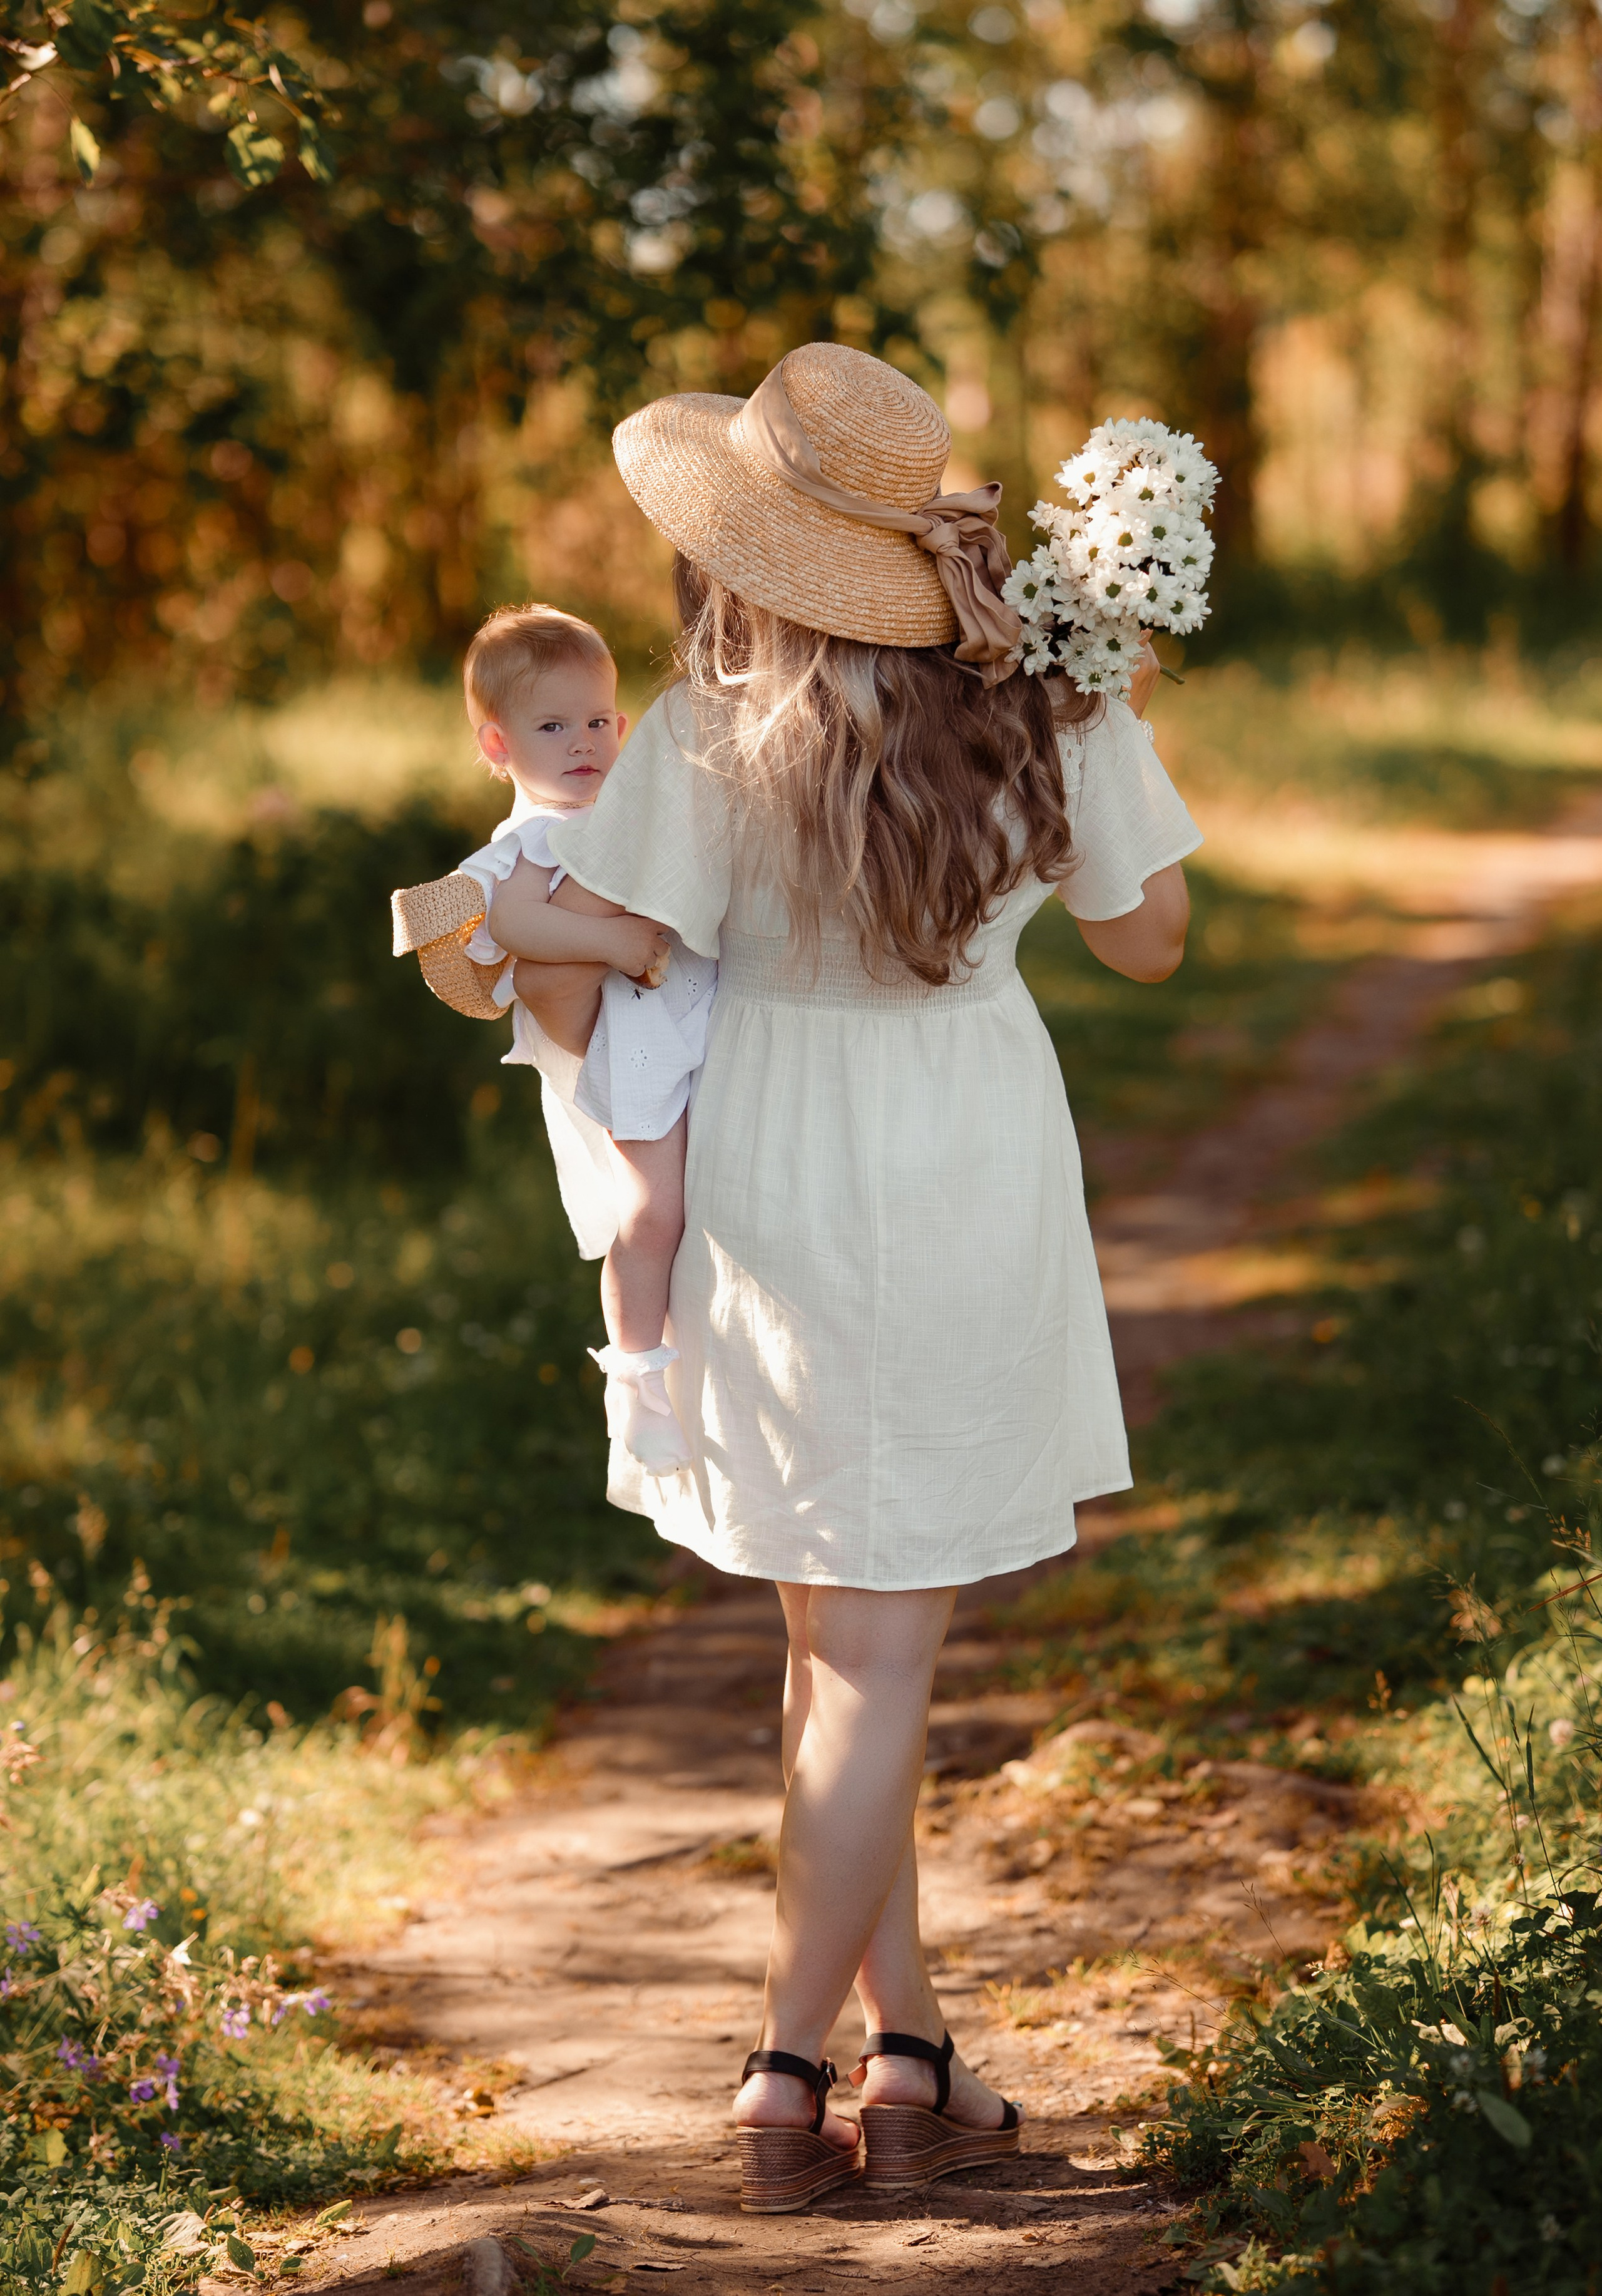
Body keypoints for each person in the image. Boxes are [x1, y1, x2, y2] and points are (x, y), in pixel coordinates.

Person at [541, 344, 1200, 2212]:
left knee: (842, 1644)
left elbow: (631, 947)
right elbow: (1151, 943)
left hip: (781, 1158)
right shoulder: (1045, 706)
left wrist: (494, 927)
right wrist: (1109, 707)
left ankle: (878, 2045)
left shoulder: (701, 728)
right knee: (871, 1645)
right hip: (967, 1141)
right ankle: (800, 2066)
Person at [451, 605, 717, 1470]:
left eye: (598, 721)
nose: (583, 744)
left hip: (686, 1010)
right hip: (625, 1041)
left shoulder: (624, 810)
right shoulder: (537, 837)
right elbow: (517, 920)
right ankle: (634, 1379)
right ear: (499, 748)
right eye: (553, 726)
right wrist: (612, 940)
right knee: (651, 1208)